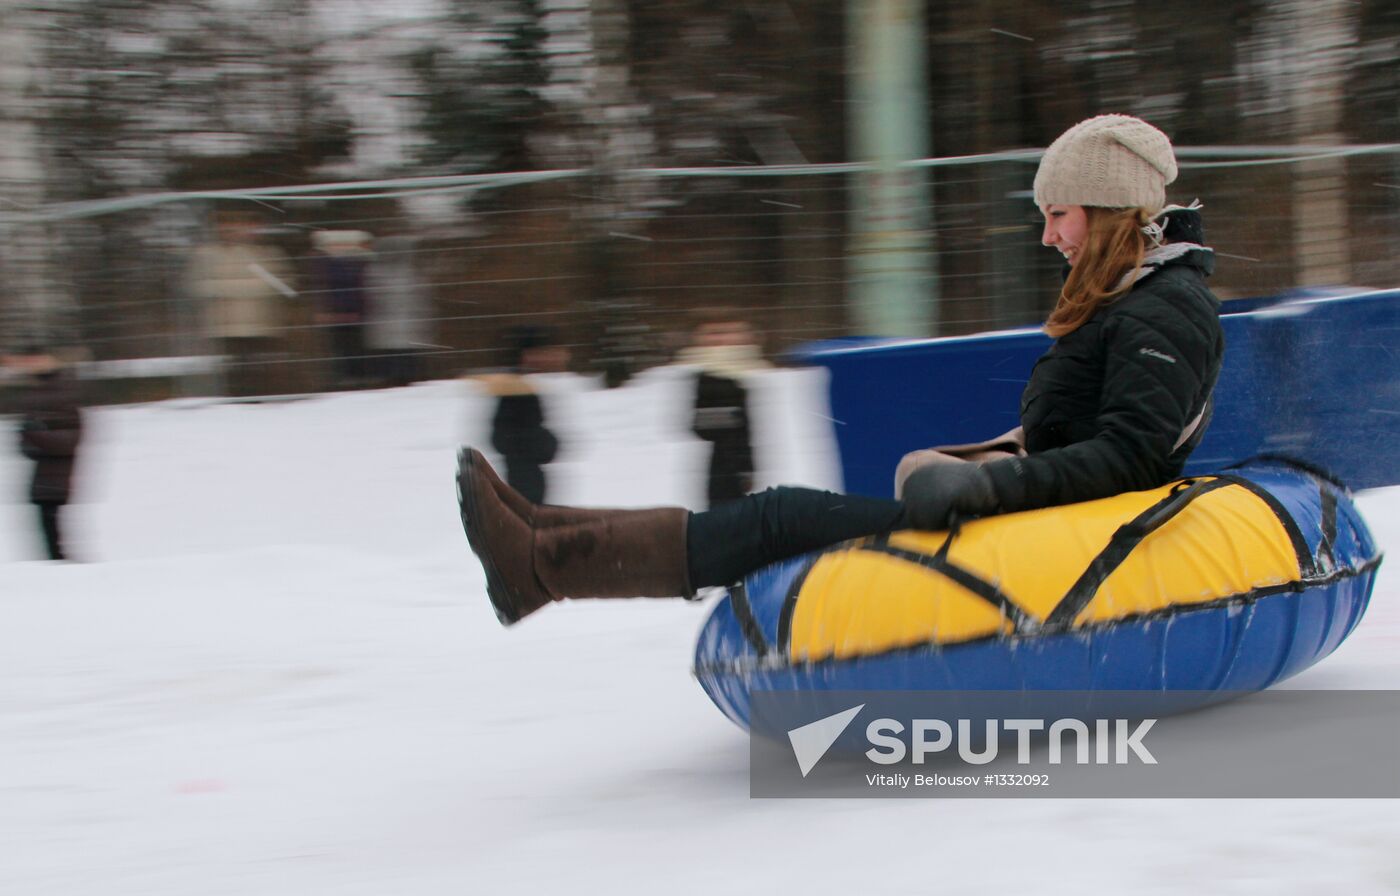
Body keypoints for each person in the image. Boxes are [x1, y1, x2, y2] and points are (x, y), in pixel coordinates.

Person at [456, 114, 1226, 626]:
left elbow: (1132, 456)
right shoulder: (1132, 302)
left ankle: (541, 567)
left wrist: (993, 484)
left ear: (1106, 208)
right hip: (1042, 524)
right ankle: (542, 532)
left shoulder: (1167, 308)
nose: (1049, 235)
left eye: (1058, 215)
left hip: (1055, 541)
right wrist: (993, 461)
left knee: (784, 516)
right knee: (789, 512)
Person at [186, 211, 296, 397]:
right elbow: (197, 285)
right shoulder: (206, 254)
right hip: (223, 325)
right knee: (232, 370)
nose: (235, 231)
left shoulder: (268, 253)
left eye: (242, 226)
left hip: (262, 323)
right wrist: (246, 288)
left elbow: (283, 285)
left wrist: (227, 288)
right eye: (228, 227)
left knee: (260, 369)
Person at [675, 311, 769, 507]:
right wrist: (728, 418)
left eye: (731, 331)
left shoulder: (741, 373)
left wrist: (748, 467)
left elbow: (747, 428)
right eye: (713, 333)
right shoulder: (707, 376)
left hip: (735, 466)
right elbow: (698, 425)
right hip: (720, 467)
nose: (722, 338)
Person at [4, 345, 84, 560]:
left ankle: (65, 569)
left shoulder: (65, 392)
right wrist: (31, 437)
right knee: (48, 526)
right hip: (43, 475)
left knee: (53, 527)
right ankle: (59, 567)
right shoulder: (38, 394)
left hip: (57, 474)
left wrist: (36, 436)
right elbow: (24, 440)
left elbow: (70, 438)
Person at [483, 326, 568, 505]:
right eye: (541, 352)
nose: (546, 358)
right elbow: (503, 437)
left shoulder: (520, 387)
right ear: (526, 355)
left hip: (528, 488)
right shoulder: (516, 391)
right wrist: (548, 442)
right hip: (526, 492)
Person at [310, 230, 374, 389]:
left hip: (352, 312)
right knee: (342, 347)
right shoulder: (326, 262)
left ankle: (353, 378)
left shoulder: (357, 262)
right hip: (339, 313)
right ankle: (344, 379)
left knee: (352, 347)